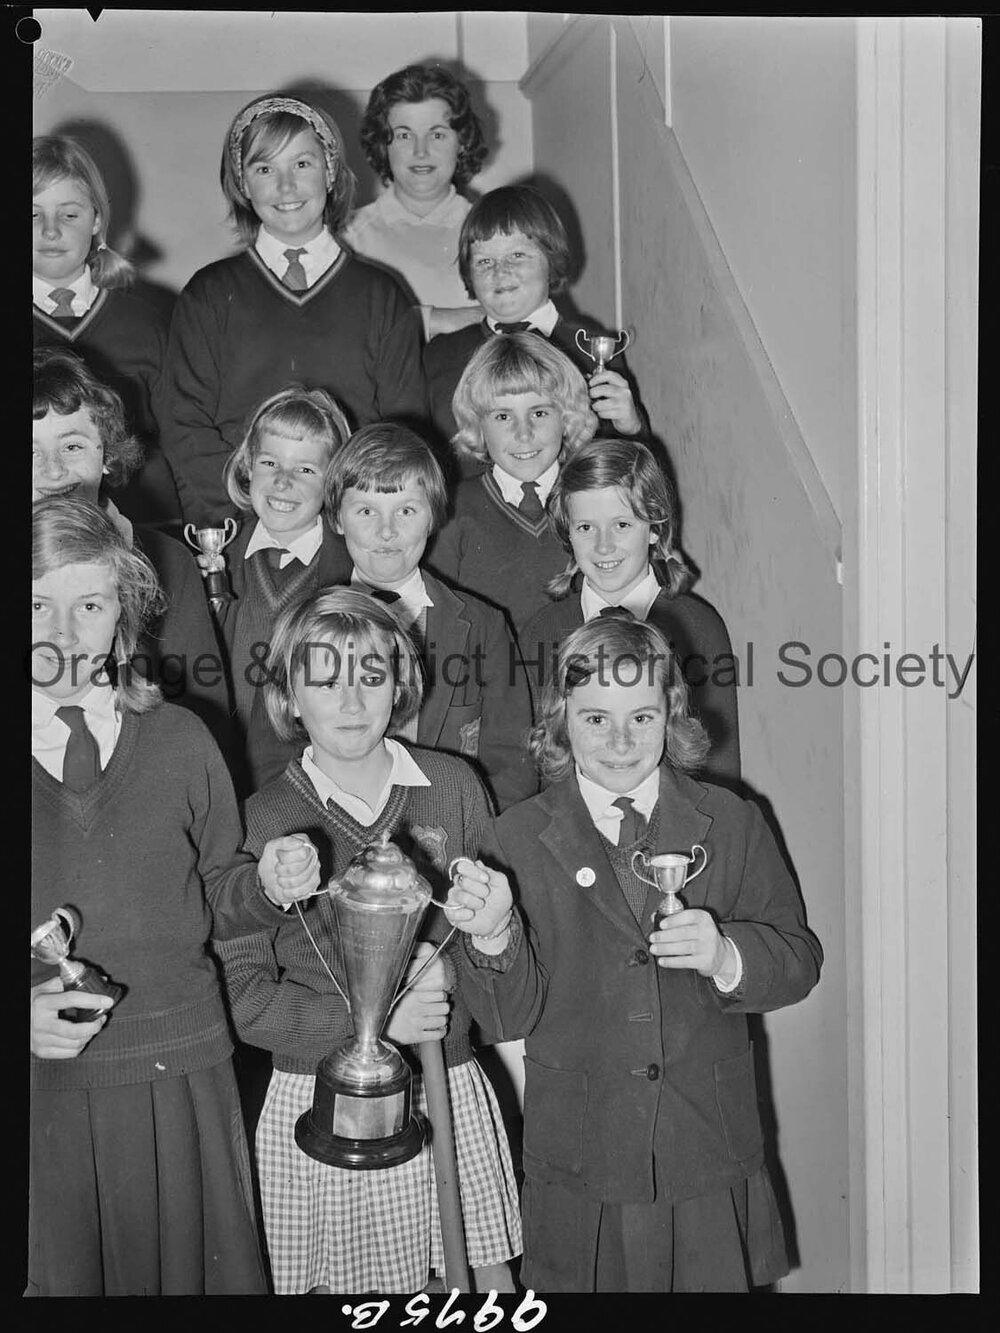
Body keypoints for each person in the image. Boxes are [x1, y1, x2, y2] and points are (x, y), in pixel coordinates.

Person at [444, 615, 823, 1292]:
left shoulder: (731, 821)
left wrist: (726, 953)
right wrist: (494, 935)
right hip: (583, 1159)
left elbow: (799, 958)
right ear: (562, 720)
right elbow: (503, 1017)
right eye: (596, 720)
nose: (619, 742)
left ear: (671, 713)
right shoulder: (515, 839)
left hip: (702, 1147)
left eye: (641, 717)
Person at [29, 495, 323, 1296]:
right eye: (35, 604)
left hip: (183, 1064)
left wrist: (264, 887)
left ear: (122, 621)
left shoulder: (183, 739)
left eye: (88, 605)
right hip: (45, 1086)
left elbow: (220, 891)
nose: (61, 631)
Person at [211, 588, 522, 1295]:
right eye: (324, 678)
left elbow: (502, 974)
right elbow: (242, 996)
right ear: (290, 693)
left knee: (474, 1280)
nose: (351, 700)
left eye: (372, 676)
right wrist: (370, 1026)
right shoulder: (261, 821)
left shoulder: (453, 786)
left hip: (447, 1085)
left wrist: (497, 935)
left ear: (401, 683)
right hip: (317, 1098)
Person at [160, 93, 428, 527]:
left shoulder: (381, 295)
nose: (286, 187)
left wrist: (353, 520)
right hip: (242, 528)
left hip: (350, 532)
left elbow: (400, 431)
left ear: (331, 173)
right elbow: (183, 424)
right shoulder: (208, 294)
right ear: (244, 185)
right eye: (265, 169)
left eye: (302, 164)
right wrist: (254, 516)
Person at [328, 421, 535, 812]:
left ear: (433, 517)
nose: (386, 531)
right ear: (338, 518)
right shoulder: (303, 626)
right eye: (366, 510)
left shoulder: (484, 628)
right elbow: (273, 758)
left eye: (406, 510)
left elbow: (512, 766)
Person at [32, 346, 230, 746]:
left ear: (106, 453)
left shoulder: (168, 562)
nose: (53, 471)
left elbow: (207, 716)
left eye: (72, 446)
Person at [519, 435, 742, 783]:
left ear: (654, 528)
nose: (603, 546)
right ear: (568, 533)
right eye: (586, 528)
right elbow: (533, 766)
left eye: (622, 525)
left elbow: (718, 766)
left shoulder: (697, 627)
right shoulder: (543, 630)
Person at [209, 384, 353, 796]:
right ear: (247, 467)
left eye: (306, 470)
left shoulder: (349, 570)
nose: (283, 481)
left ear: (332, 482)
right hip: (220, 772)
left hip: (309, 783)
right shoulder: (216, 559)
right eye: (270, 462)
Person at [424, 184, 648, 445]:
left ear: (551, 260)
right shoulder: (439, 356)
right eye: (485, 261)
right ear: (468, 273)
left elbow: (628, 466)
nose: (500, 272)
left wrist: (631, 427)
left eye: (517, 255)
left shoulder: (591, 350)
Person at [32, 135, 179, 527]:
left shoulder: (149, 323)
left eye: (69, 215)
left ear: (96, 220)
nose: (50, 231)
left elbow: (182, 436)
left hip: (144, 527)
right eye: (32, 215)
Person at [426, 330, 597, 640]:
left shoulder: (596, 500)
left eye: (540, 412)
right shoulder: (452, 511)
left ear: (567, 417)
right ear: (478, 424)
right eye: (503, 416)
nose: (524, 433)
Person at [344, 63, 487, 340]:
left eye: (437, 134)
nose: (421, 152)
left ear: (462, 143)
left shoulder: (493, 229)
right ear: (383, 145)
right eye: (404, 135)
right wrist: (439, 319)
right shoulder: (348, 237)